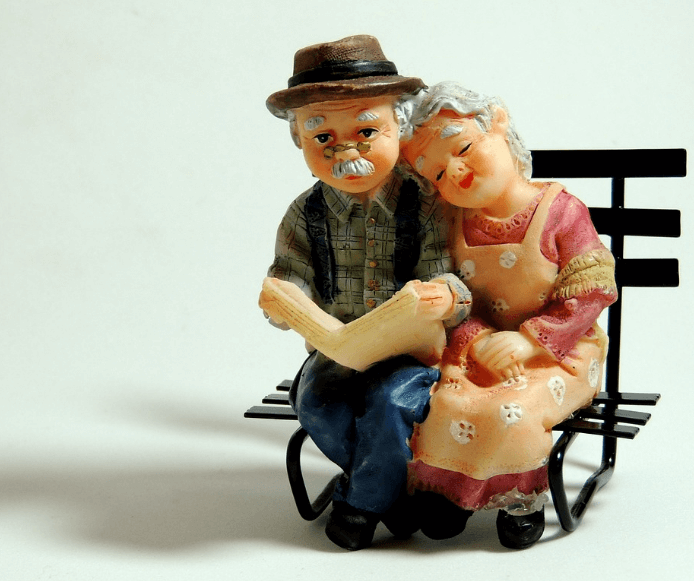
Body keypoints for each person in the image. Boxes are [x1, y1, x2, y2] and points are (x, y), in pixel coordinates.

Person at [259, 37, 470, 551]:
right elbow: (292, 275)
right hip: (337, 350)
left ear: (400, 127)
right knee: (316, 405)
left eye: (367, 131)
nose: (347, 151)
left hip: (408, 355)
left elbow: (450, 272)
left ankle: (362, 503)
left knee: (389, 402)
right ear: (299, 141)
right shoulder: (304, 214)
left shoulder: (425, 202)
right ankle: (402, 498)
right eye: (323, 137)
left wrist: (446, 297)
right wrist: (283, 302)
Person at [398, 81, 618, 549]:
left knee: (511, 411)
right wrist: (477, 340)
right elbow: (449, 296)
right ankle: (447, 494)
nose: (455, 172)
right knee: (443, 403)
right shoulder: (451, 223)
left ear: (498, 123)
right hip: (478, 350)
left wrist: (530, 340)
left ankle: (519, 500)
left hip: (558, 351)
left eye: (463, 149)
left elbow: (593, 289)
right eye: (437, 174)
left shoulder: (562, 211)